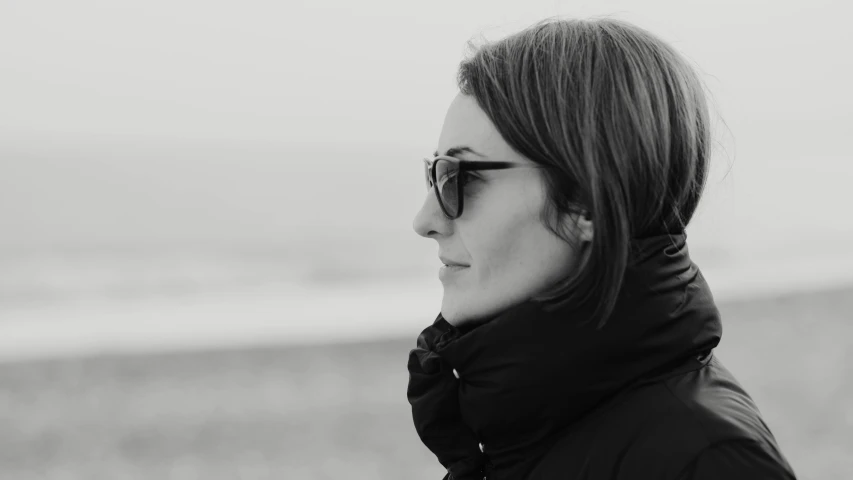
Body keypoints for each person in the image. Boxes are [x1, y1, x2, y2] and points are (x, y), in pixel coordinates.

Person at [407, 17, 798, 480]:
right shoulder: (526, 424)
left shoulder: (706, 460)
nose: (425, 221)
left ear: (586, 200)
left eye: (460, 177)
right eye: (436, 174)